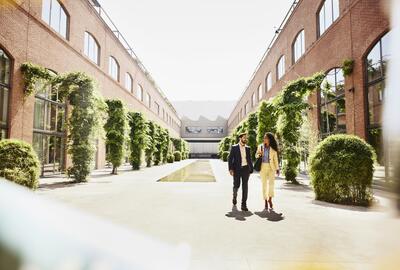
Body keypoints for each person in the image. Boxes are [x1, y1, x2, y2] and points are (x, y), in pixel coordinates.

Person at [228, 132, 254, 211]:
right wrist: (230, 169)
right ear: (240, 138)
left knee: (245, 187)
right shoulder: (234, 147)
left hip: (246, 169)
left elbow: (249, 159)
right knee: (236, 185)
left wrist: (250, 170)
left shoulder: (248, 148)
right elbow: (230, 159)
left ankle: (243, 205)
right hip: (237, 169)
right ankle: (234, 196)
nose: (246, 139)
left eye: (246, 138)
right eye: (244, 138)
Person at [256, 132, 279, 210]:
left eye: (265, 138)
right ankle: (265, 200)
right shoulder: (260, 147)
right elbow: (256, 155)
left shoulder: (273, 148)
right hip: (263, 167)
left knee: (271, 184)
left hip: (271, 167)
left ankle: (270, 199)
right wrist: (260, 154)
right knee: (264, 185)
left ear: (269, 139)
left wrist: (277, 169)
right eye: (264, 138)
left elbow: (275, 159)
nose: (264, 139)